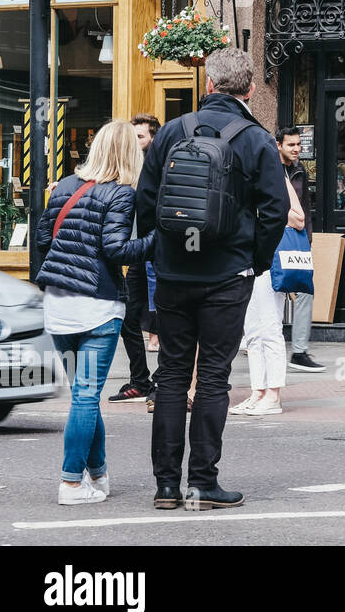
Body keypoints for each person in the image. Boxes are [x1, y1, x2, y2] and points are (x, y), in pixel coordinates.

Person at [135, 47, 290, 510]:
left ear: (207, 85)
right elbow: (276, 211)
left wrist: (164, 251)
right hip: (227, 275)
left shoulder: (172, 132)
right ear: (250, 89)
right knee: (214, 379)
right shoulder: (256, 139)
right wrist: (255, 259)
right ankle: (203, 482)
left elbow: (145, 201)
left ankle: (165, 486)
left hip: (173, 273)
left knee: (172, 375)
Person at [35, 120, 153, 505]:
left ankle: (98, 475)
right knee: (86, 397)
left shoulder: (65, 186)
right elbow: (117, 250)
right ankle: (71, 483)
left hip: (58, 306)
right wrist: (156, 240)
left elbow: (41, 237)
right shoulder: (121, 193)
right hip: (98, 309)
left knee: (84, 395)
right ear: (128, 154)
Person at [231, 174, 309, 417]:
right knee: (252, 330)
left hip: (268, 259)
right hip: (246, 258)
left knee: (270, 327)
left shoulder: (276, 175)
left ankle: (273, 394)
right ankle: (258, 391)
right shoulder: (243, 174)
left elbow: (299, 219)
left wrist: (265, 210)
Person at [108, 113, 161, 405]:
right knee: (128, 317)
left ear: (152, 137)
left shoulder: (159, 166)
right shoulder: (127, 167)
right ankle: (140, 380)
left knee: (165, 320)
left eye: (140, 136)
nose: (135, 142)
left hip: (160, 255)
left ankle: (161, 382)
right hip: (138, 253)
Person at [276, 127, 324, 373]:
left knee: (305, 289)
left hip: (296, 238)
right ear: (278, 145)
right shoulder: (270, 169)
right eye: (290, 145)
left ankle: (299, 351)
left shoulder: (299, 170)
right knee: (274, 293)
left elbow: (305, 206)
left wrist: (307, 239)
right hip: (273, 238)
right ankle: (266, 344)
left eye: (298, 144)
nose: (296, 149)